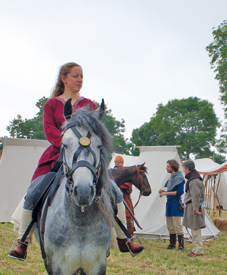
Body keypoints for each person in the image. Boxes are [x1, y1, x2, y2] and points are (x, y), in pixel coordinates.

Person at [9, 62, 143, 260]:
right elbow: (50, 131)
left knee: (115, 191)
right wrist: (68, 142)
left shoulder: (90, 105)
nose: (80, 80)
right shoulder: (51, 104)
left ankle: (125, 238)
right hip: (58, 156)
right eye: (75, 76)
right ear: (64, 78)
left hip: (88, 159)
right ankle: (23, 241)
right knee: (34, 192)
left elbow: (99, 132)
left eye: (82, 76)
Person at [159, 160, 185, 250]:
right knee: (170, 225)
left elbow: (180, 192)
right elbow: (169, 191)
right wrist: (164, 192)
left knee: (177, 225)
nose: (166, 168)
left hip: (175, 203)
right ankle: (172, 244)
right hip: (169, 203)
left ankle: (181, 245)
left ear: (173, 167)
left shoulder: (179, 178)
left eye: (168, 166)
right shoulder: (171, 178)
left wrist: (166, 193)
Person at [182, 160, 205, 257]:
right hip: (193, 205)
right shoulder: (194, 178)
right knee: (194, 229)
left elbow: (195, 195)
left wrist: (195, 209)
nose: (183, 170)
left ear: (187, 169)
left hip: (193, 206)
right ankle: (197, 249)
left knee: (195, 229)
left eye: (183, 168)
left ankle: (198, 250)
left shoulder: (194, 180)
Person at [114, 155, 136, 235]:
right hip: (114, 200)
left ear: (123, 163)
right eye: (116, 162)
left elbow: (128, 185)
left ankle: (130, 239)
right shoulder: (112, 172)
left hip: (125, 199)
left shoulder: (126, 173)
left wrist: (117, 183)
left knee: (128, 221)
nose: (118, 164)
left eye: (119, 162)